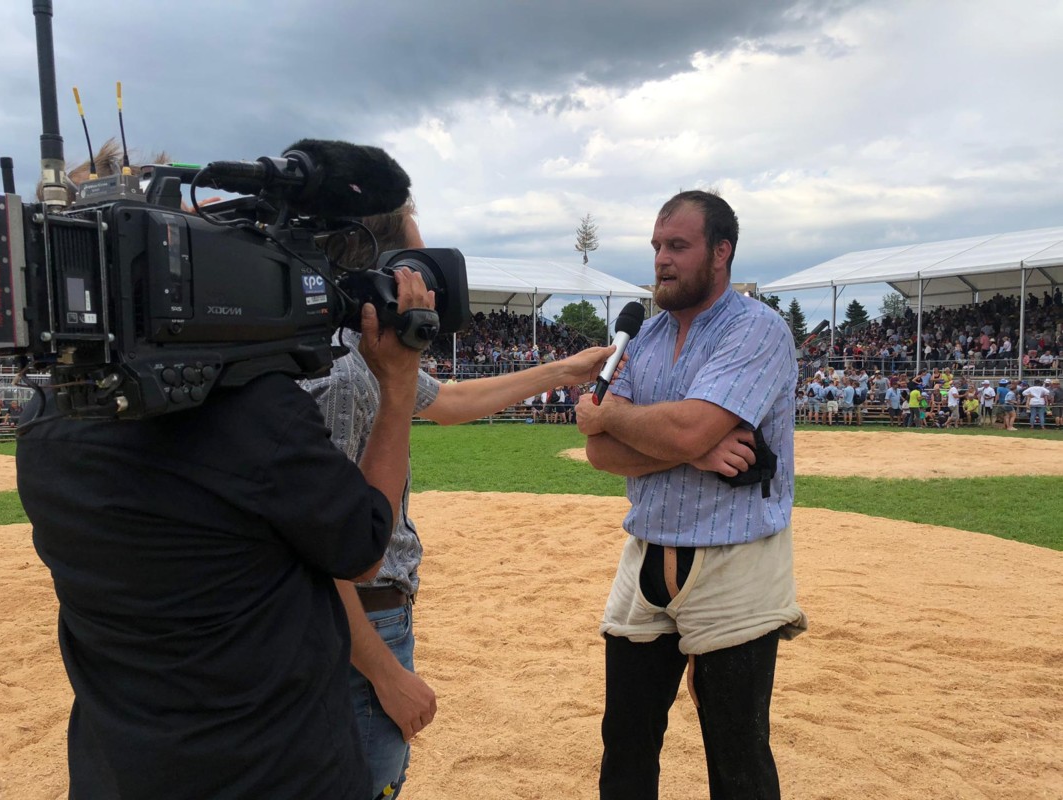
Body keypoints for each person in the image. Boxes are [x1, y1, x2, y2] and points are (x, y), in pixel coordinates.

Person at [17, 264, 433, 798]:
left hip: (119, 767)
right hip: (271, 771)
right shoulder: (259, 417)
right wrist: (398, 384)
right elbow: (365, 547)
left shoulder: (44, 421)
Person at [302, 201, 616, 799]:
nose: (425, 289)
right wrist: (384, 673)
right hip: (361, 624)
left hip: (370, 617)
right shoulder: (342, 372)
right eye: (414, 269)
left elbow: (449, 402)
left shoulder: (367, 350)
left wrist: (563, 371)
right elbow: (322, 553)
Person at [575, 190, 806, 800]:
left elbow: (673, 427)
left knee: (737, 757)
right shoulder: (642, 338)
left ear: (721, 252)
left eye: (678, 246)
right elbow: (600, 453)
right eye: (657, 245)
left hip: (736, 561)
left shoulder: (756, 329)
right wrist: (694, 448)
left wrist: (615, 416)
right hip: (646, 552)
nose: (661, 259)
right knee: (625, 744)